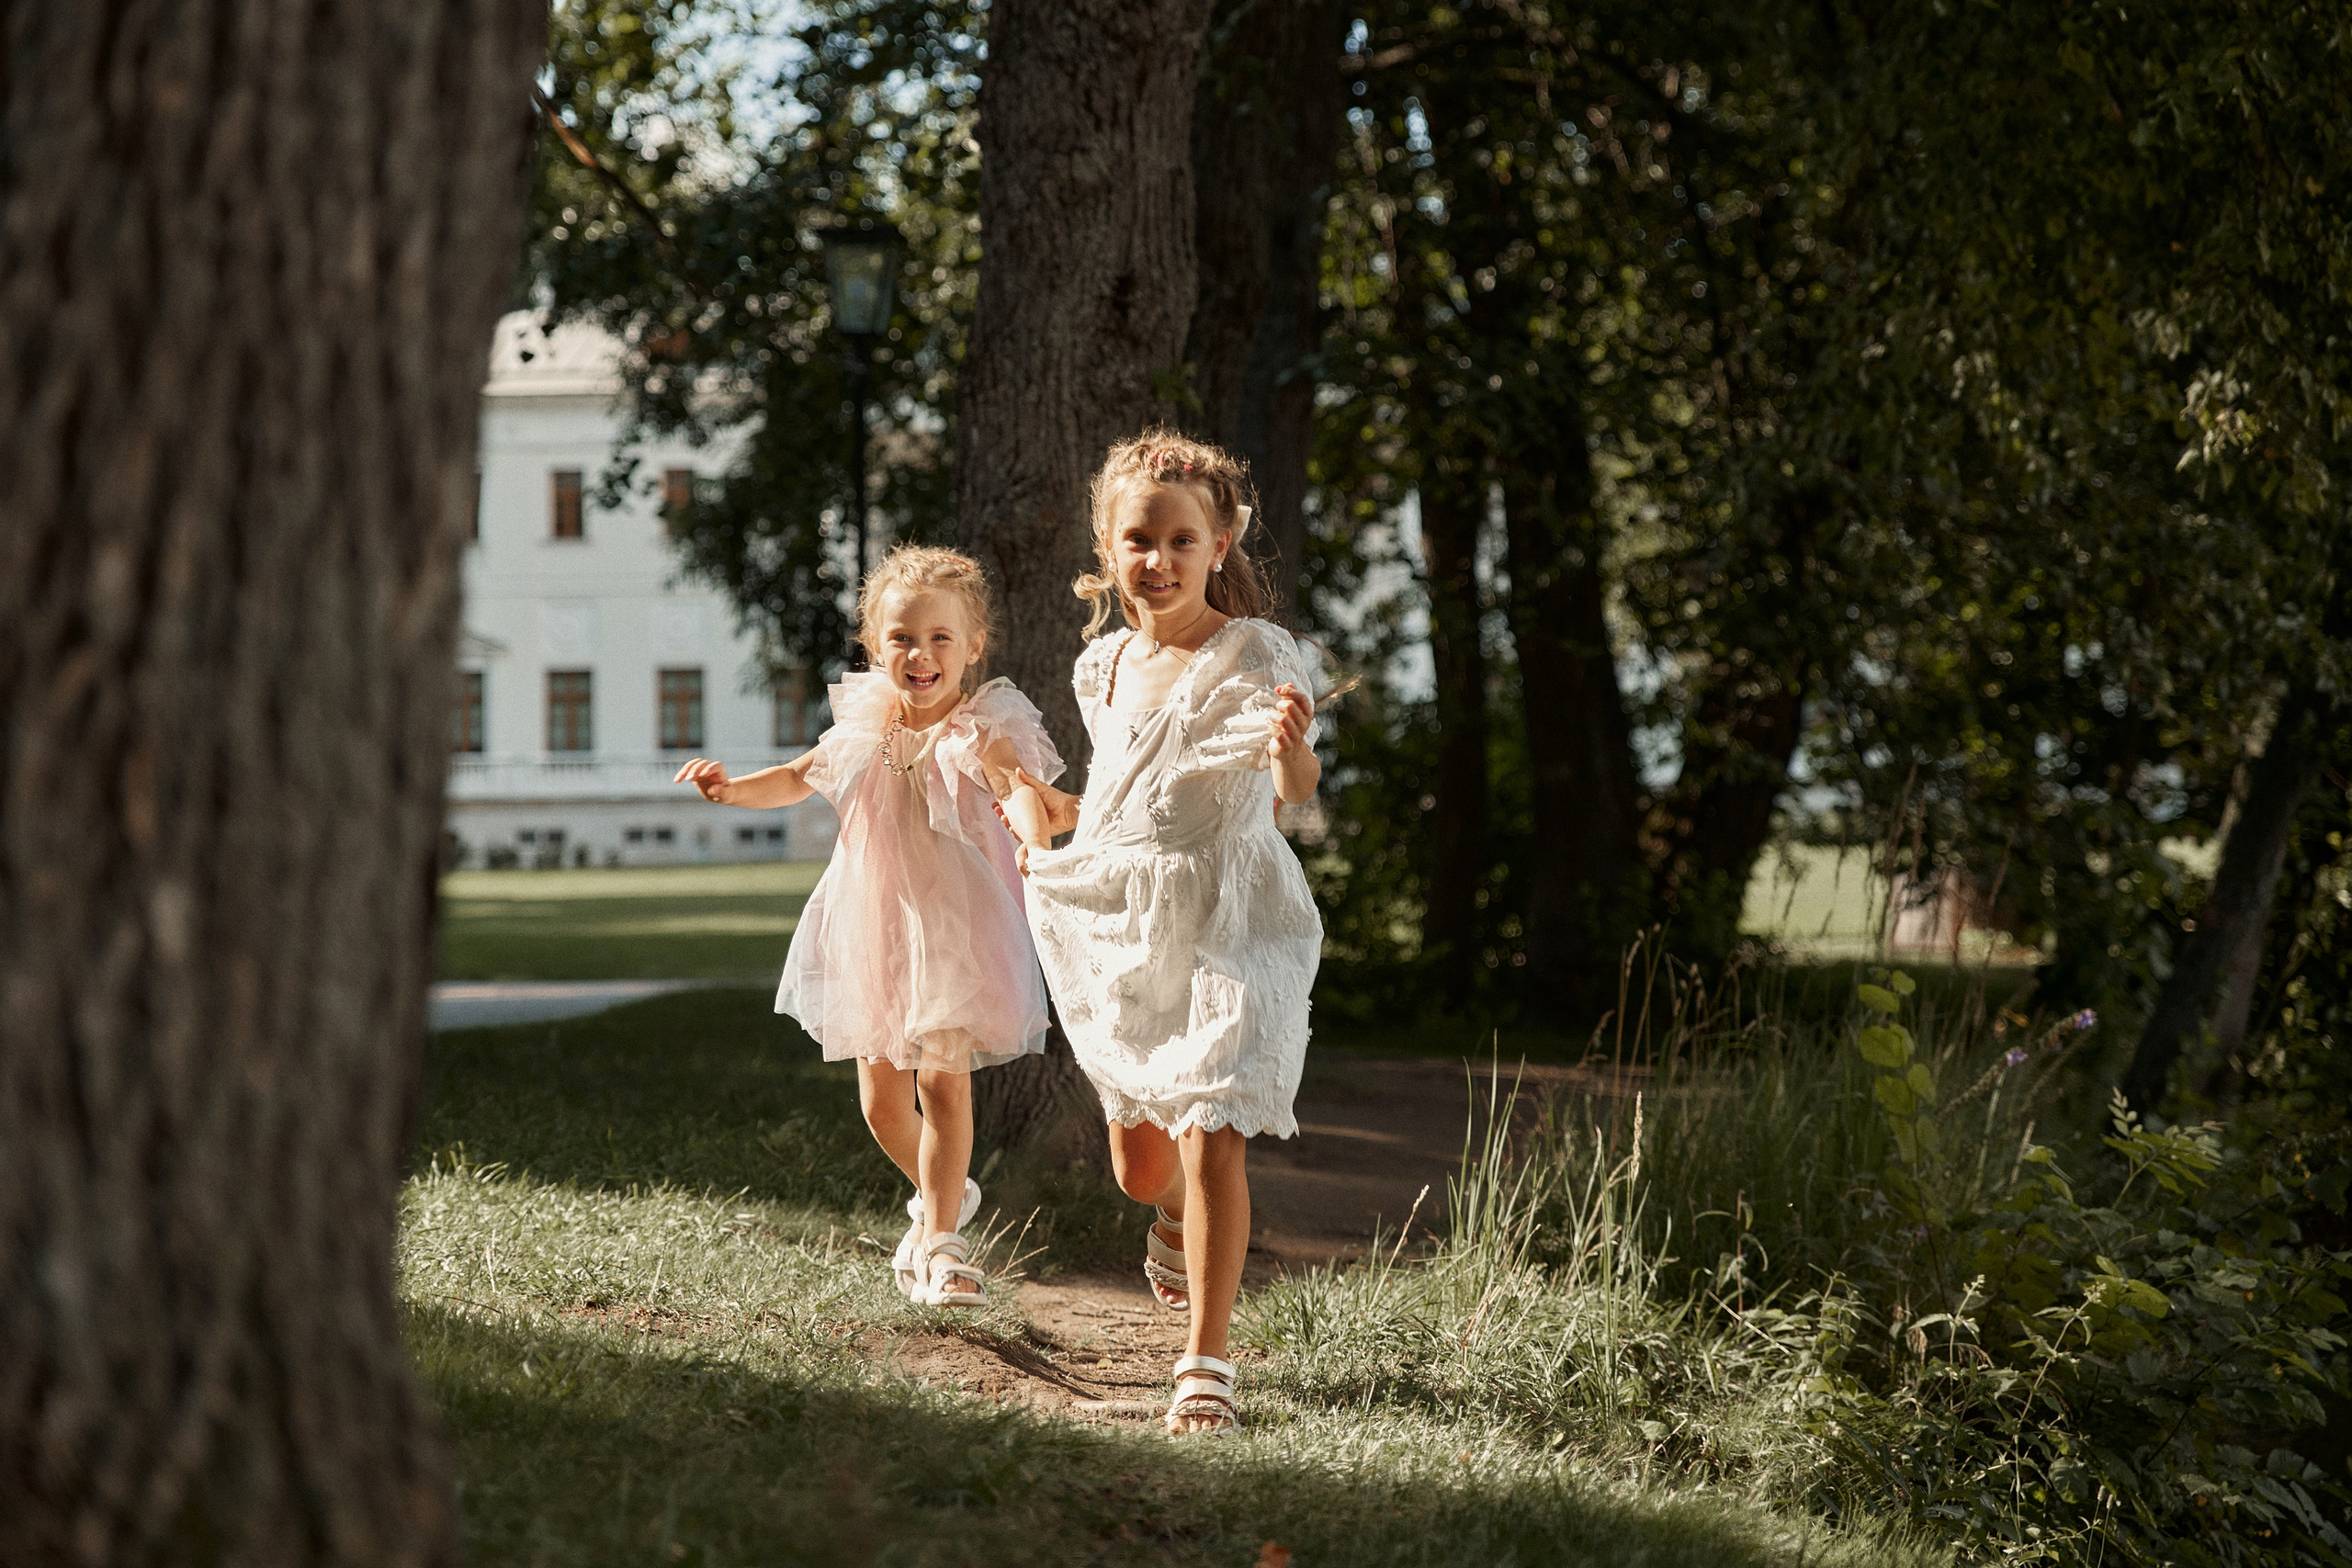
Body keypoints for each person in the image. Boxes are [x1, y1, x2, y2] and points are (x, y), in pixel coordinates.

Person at [1013, 429, 1326, 1434]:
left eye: (1180, 540)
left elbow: (1297, 798)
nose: (1158, 561)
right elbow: (1111, 799)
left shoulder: (1257, 655)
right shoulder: (1099, 669)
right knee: (1143, 1167)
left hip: (1231, 915)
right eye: (1137, 540)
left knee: (1211, 1134)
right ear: (1108, 547)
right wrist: (1036, 818)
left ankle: (1205, 1363)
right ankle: (1166, 1222)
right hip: (1128, 926)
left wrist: (1291, 760)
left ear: (1221, 542)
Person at [674, 545, 1061, 1307]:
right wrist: (728, 790)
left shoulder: (987, 728)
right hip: (874, 925)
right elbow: (795, 776)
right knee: (882, 1103)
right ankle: (942, 1194)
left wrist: (1032, 826)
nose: (921, 655)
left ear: (973, 645)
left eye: (941, 638)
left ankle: (945, 1249)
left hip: (958, 928)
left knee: (945, 1086)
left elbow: (1019, 787)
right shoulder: (864, 724)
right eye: (902, 638)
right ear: (874, 645)